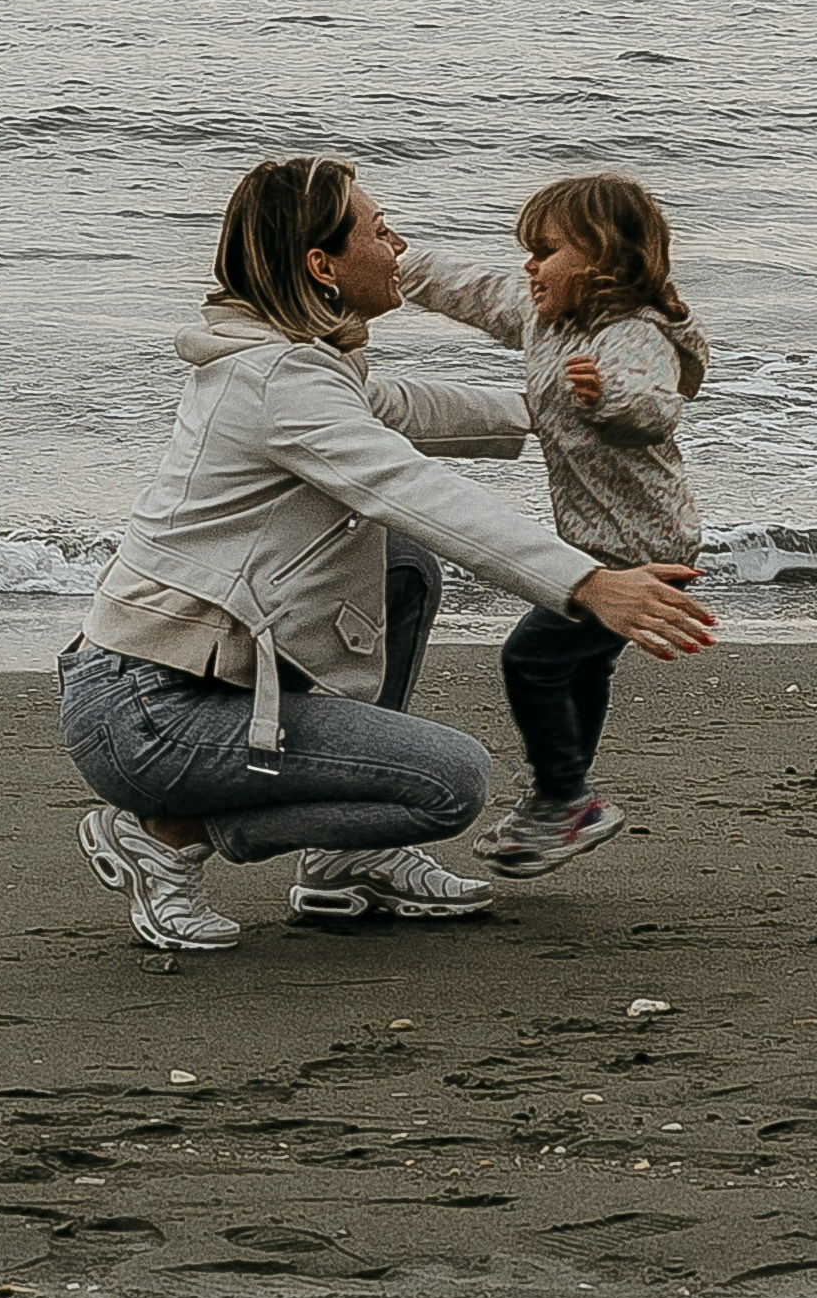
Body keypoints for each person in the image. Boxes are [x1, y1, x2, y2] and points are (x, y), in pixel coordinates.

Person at [60, 156, 716, 955]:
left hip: (168, 688)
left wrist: (579, 413)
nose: (397, 245)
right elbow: (410, 489)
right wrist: (587, 584)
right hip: (150, 711)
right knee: (453, 784)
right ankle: (167, 837)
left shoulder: (300, 363)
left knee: (401, 567)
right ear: (322, 265)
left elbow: (412, 411)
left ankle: (346, 859)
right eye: (379, 231)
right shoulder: (280, 382)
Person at [400, 172, 710, 878]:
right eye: (528, 250)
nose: (529, 265)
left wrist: (608, 397)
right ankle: (563, 795)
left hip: (641, 552)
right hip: (594, 539)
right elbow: (471, 289)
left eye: (545, 251)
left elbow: (658, 407)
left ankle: (567, 797)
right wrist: (398, 261)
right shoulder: (545, 317)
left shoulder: (634, 335)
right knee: (580, 667)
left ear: (603, 257)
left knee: (532, 660)